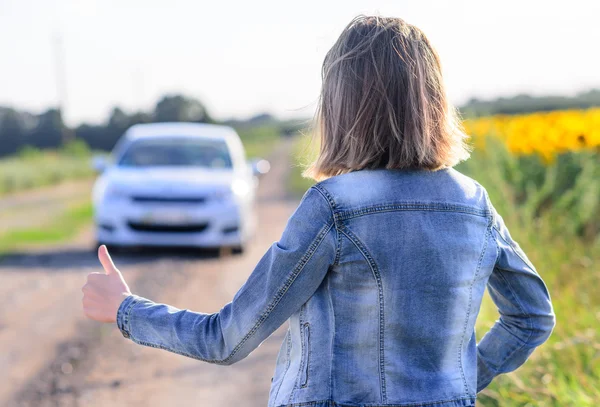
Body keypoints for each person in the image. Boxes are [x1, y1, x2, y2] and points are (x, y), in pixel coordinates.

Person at [82, 15, 555, 407]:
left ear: (341, 104)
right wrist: (458, 382)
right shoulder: (474, 203)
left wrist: (124, 309)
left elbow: (226, 339)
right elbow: (532, 318)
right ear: (433, 100)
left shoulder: (334, 207)